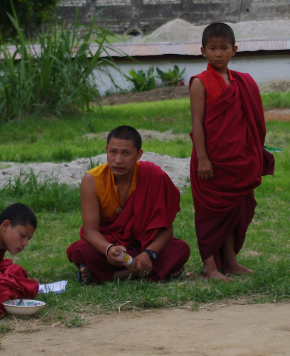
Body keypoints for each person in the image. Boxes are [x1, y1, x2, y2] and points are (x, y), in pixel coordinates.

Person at [189, 22, 274, 281]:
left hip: (237, 159)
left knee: (232, 211)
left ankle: (230, 261)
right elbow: (198, 123)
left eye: (223, 48)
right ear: (202, 50)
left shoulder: (242, 82)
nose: (218, 54)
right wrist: (203, 158)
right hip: (211, 160)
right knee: (210, 214)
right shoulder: (200, 83)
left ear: (234, 49)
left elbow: (251, 121)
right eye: (212, 48)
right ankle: (209, 266)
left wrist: (254, 153)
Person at [68, 126, 190, 284]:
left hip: (142, 246)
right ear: (106, 150)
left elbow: (166, 229)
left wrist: (149, 254)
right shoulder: (92, 180)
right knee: (81, 250)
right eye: (113, 152)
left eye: (126, 153)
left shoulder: (153, 176)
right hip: (113, 249)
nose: (118, 160)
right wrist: (108, 249)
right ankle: (155, 271)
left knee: (180, 249)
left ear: (139, 154)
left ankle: (112, 277)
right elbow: (90, 232)